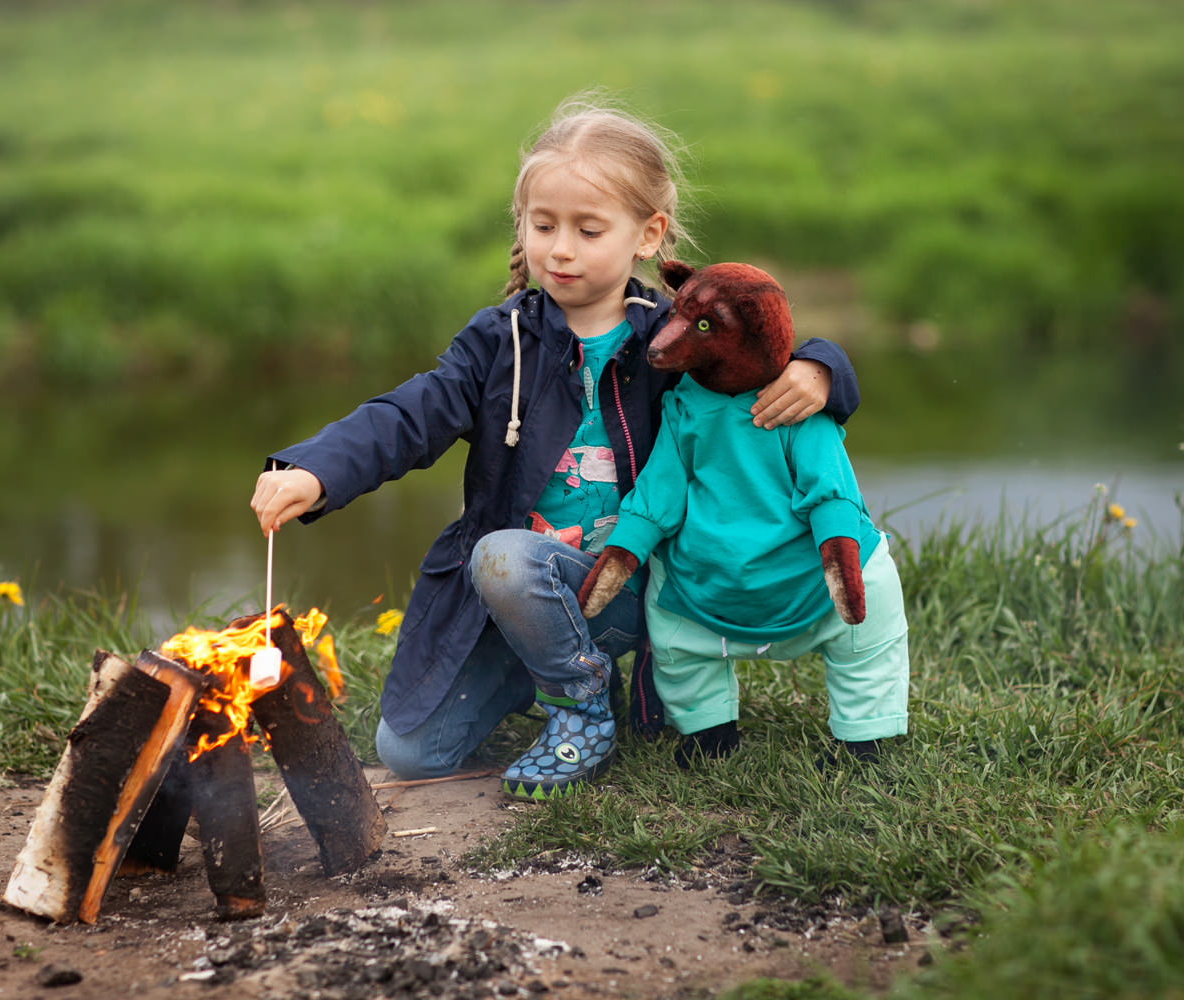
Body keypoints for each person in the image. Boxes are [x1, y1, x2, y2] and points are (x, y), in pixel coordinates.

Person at [250, 95, 862, 800]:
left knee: (501, 553)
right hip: (522, 592)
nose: (561, 248)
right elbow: (409, 414)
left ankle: (580, 710)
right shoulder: (499, 340)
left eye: (588, 229)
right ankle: (550, 670)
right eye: (544, 225)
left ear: (647, 233)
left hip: (644, 585)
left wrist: (821, 367)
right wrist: (313, 469)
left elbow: (765, 343)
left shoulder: (676, 333)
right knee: (412, 751)